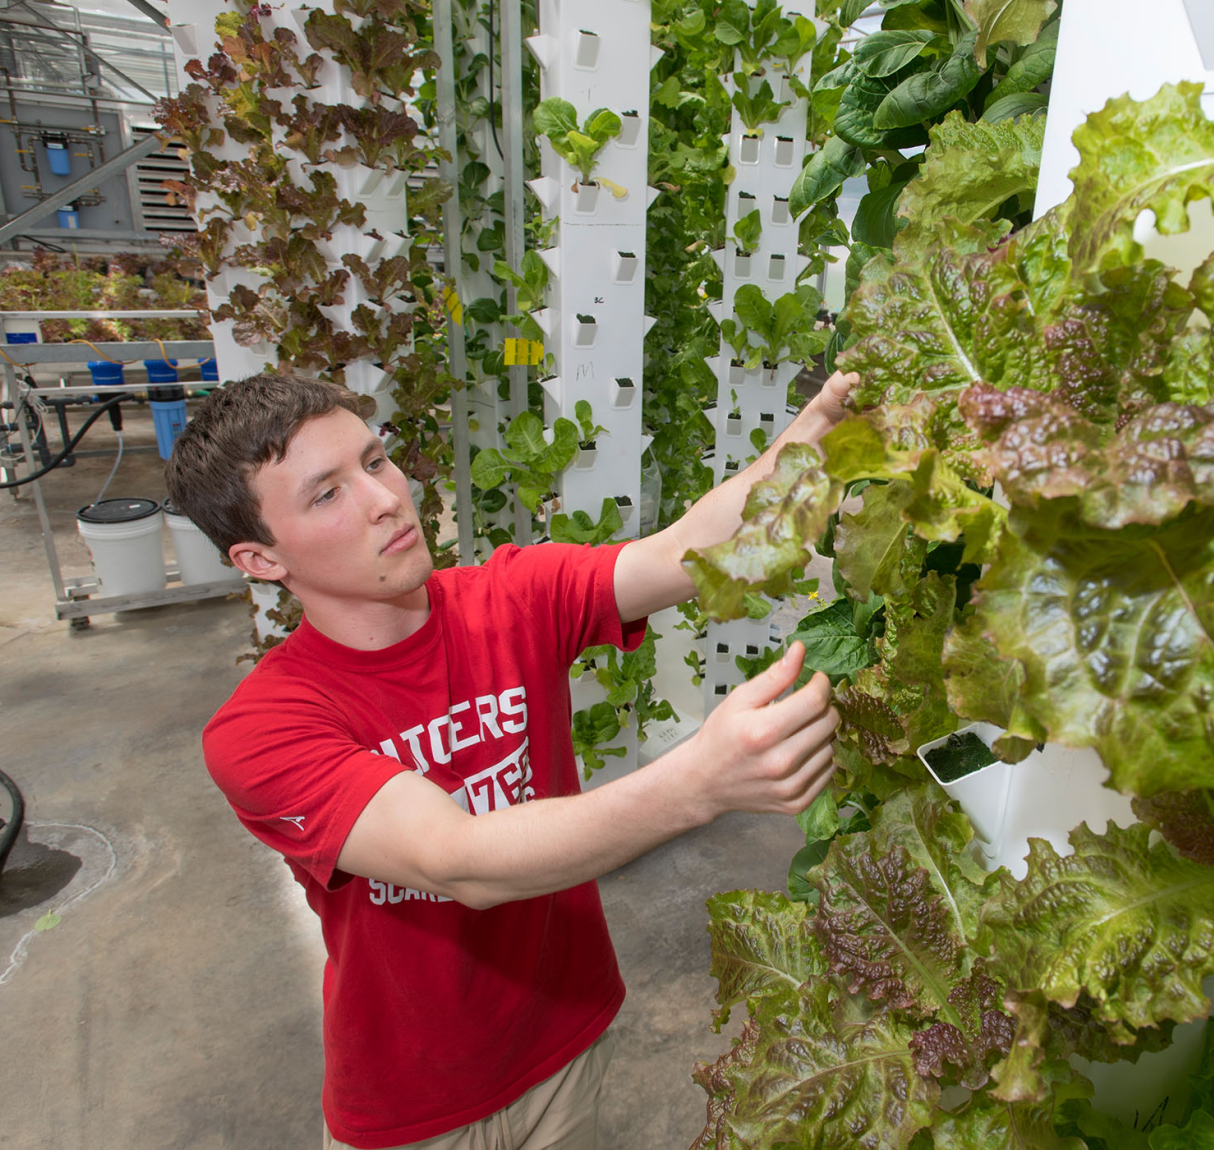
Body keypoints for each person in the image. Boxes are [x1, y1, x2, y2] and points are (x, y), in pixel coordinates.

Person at [164, 368, 857, 1150]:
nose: (385, 498)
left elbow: (684, 551)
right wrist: (698, 784)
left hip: (565, 1045)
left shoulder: (509, 598)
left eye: (375, 460)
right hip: (413, 1103)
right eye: (326, 495)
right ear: (260, 561)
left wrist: (818, 431)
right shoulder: (262, 727)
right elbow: (458, 860)